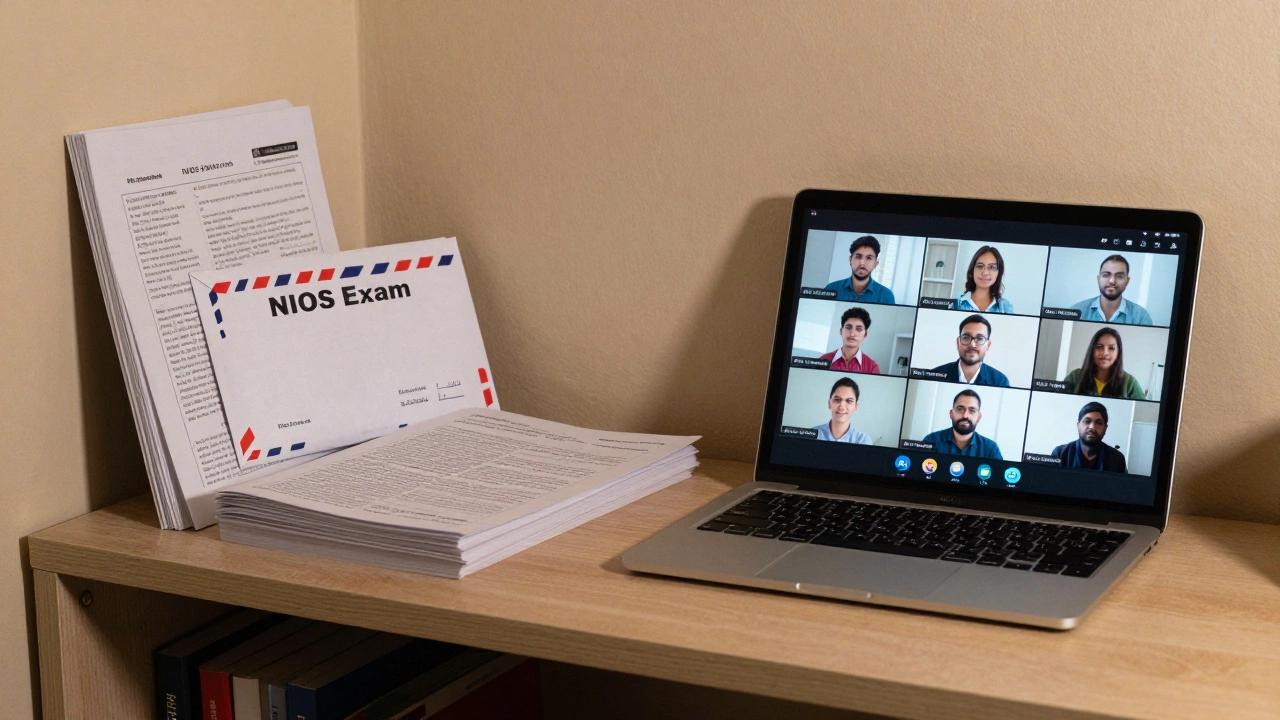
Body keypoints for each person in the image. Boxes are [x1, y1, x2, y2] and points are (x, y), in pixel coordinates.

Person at [1062, 326, 1146, 399]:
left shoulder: (1130, 383)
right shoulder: (1075, 377)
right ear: (1092, 350)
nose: (1105, 353)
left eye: (1111, 348)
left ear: (1118, 353)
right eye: (1099, 347)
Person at [1069, 254, 1154, 325]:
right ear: (1098, 279)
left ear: (1127, 281)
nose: (1112, 281)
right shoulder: (1077, 311)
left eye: (1119, 276)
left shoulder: (1141, 317)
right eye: (1106, 275)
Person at [929, 315, 1010, 386]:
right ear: (958, 342)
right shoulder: (934, 375)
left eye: (980, 339)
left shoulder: (1000, 381)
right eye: (966, 337)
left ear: (988, 346)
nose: (972, 344)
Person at [921, 389, 1003, 458]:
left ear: (979, 417)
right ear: (951, 413)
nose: (965, 415)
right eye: (960, 409)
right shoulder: (931, 440)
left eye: (972, 410)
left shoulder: (990, 449)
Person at [1052, 402, 1128, 472]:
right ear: (1078, 425)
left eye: (1099, 423)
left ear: (1105, 428)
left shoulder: (1117, 458)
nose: (1092, 427)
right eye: (1087, 421)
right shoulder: (1060, 453)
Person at [823, 235, 896, 303]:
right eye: (858, 256)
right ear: (850, 260)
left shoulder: (886, 296)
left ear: (875, 264)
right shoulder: (831, 288)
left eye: (869, 258)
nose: (862, 263)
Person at [817, 307, 880, 373]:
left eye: (859, 329)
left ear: (865, 334)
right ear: (841, 331)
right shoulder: (823, 360)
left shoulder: (872, 367)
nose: (852, 334)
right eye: (848, 327)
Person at [952, 245, 1014, 313]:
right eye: (980, 266)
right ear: (972, 270)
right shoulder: (955, 304)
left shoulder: (1005, 307)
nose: (985, 273)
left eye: (992, 267)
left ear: (999, 273)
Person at [812, 377, 872, 444]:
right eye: (837, 399)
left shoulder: (863, 440)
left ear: (856, 406)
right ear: (829, 403)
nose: (842, 407)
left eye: (849, 401)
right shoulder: (812, 435)